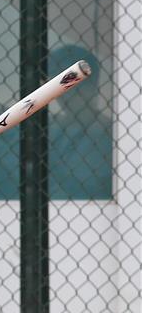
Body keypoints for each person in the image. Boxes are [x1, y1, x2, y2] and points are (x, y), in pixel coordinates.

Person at [47, 44, 112, 200]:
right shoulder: (56, 130)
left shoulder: (107, 135)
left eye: (70, 87)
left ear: (91, 86)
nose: (62, 95)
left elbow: (90, 188)